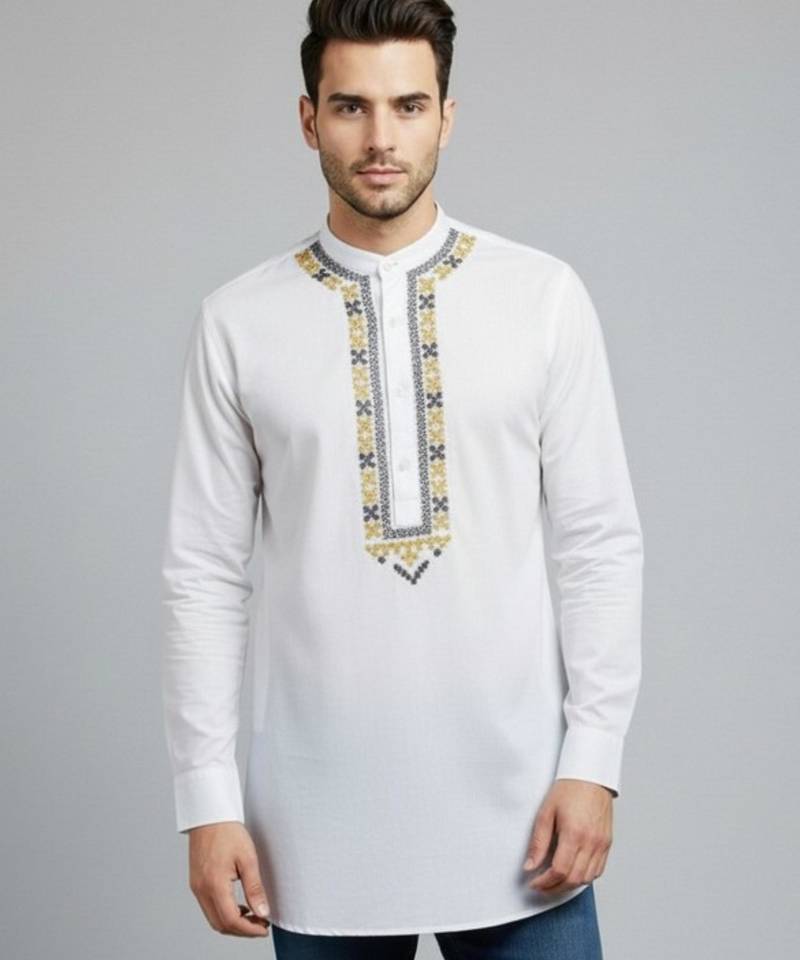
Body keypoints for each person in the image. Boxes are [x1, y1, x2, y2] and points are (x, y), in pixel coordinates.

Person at [159, 1, 644, 957]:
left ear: (446, 117)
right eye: (351, 107)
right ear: (309, 120)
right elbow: (202, 577)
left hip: (522, 818)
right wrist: (206, 801)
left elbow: (599, 544)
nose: (381, 138)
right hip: (312, 829)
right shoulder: (238, 322)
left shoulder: (541, 297)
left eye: (409, 106)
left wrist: (594, 761)